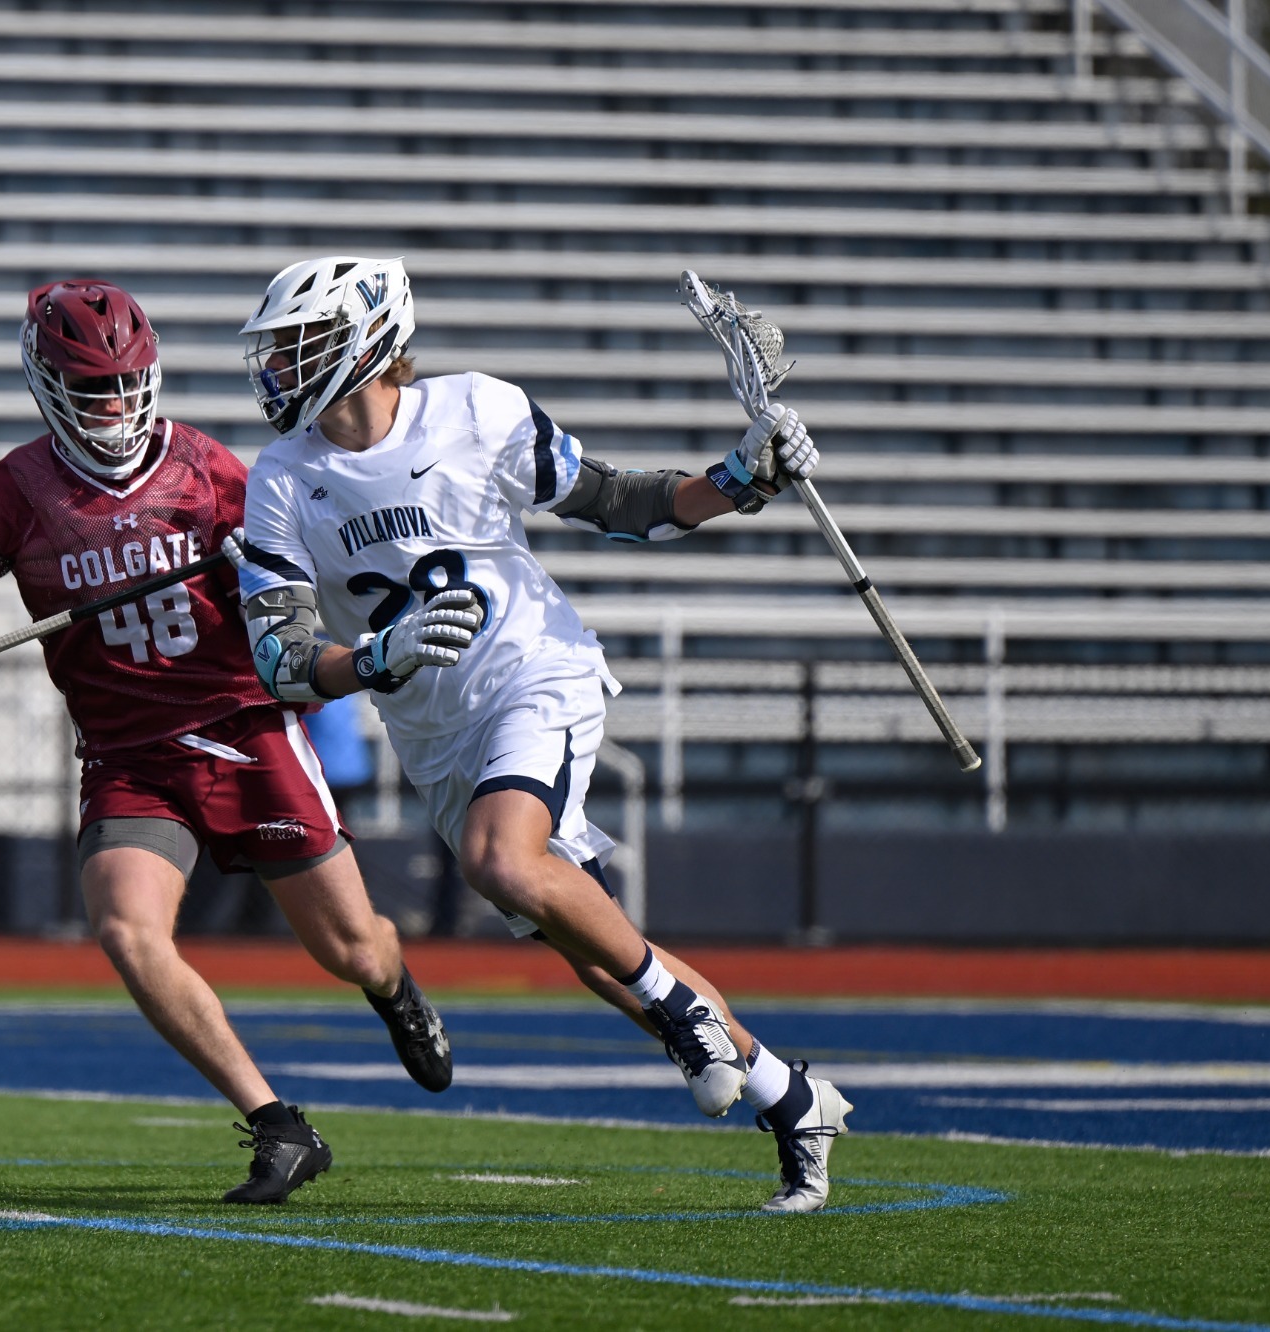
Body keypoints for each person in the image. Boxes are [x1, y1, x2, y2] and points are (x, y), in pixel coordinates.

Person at [229, 254, 851, 1214]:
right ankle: (791, 1096)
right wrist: (375, 661)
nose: (279, 366)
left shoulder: (477, 410)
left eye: (300, 343)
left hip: (535, 668)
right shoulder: (281, 480)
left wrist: (741, 477)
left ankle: (691, 1019)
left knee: (501, 860)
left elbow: (620, 502)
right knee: (599, 955)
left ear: (367, 338)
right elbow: (283, 658)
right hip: (436, 735)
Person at [0, 278, 452, 1206]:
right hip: (127, 755)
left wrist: (265, 564)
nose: (115, 404)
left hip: (243, 728)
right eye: (93, 387)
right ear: (48, 385)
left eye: (127, 382)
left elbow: (305, 592)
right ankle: (278, 1125)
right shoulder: (13, 492)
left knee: (352, 949)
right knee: (124, 927)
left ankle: (394, 990)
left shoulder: (212, 469)